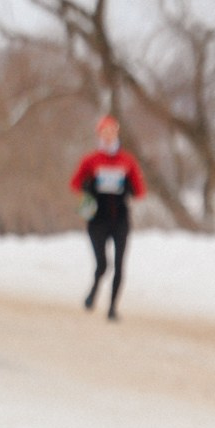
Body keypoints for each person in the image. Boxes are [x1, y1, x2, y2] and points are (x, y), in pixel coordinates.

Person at [69, 114, 145, 321]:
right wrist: (88, 186)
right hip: (97, 219)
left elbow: (140, 191)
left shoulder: (127, 160)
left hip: (120, 218)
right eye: (105, 131)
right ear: (99, 134)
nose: (109, 135)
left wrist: (129, 187)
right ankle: (93, 291)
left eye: (112, 131)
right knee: (103, 264)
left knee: (120, 264)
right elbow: (75, 183)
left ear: (117, 133)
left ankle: (112, 307)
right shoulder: (91, 160)